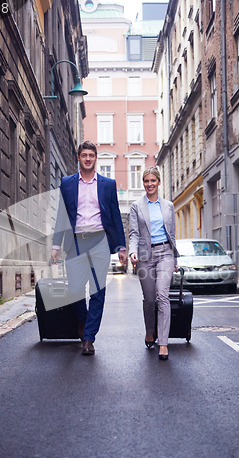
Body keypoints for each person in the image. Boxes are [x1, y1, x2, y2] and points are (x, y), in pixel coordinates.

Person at [51, 141, 127, 355]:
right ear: (78, 158)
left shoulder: (107, 184)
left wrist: (121, 246)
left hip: (99, 241)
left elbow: (114, 216)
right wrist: (56, 245)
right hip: (75, 242)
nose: (87, 158)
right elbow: (62, 215)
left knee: (97, 290)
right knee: (74, 290)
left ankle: (88, 338)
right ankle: (84, 324)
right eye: (84, 155)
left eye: (91, 155)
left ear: (95, 158)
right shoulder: (67, 183)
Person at [129, 167, 179, 360]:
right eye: (146, 181)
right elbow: (133, 232)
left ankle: (163, 343)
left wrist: (175, 259)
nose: (149, 184)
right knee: (149, 299)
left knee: (163, 296)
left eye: (153, 181)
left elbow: (172, 234)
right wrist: (133, 251)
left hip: (165, 252)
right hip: (144, 255)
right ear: (144, 183)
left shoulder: (168, 205)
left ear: (159, 182)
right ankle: (150, 330)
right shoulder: (136, 206)